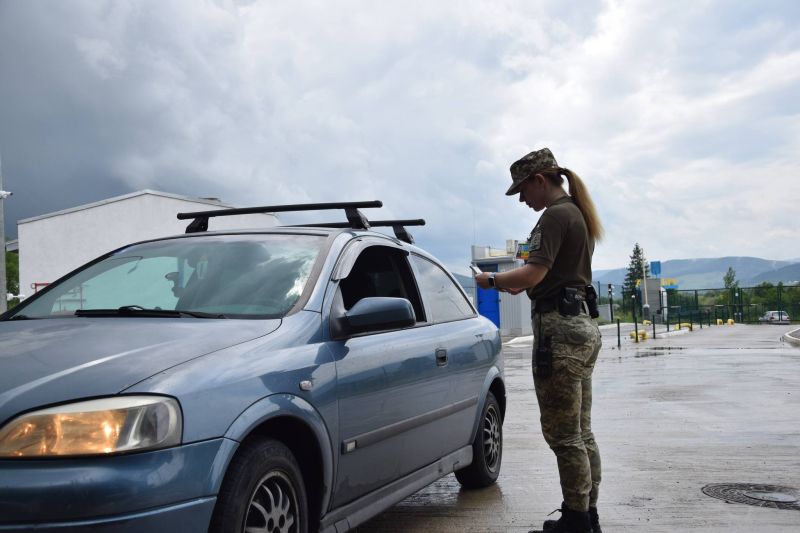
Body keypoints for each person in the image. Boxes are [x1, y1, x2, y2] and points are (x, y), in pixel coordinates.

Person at [475, 148, 604, 533]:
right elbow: (544, 276)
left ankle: (576, 521)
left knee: (564, 435)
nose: (522, 200)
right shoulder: (576, 214)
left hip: (559, 333)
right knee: (581, 432)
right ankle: (587, 515)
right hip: (580, 325)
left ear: (539, 181)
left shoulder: (554, 217)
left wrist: (493, 280)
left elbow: (532, 274)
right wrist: (526, 284)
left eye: (522, 191)